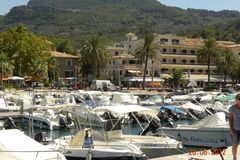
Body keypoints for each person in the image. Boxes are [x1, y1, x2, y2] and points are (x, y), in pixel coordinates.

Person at [229, 93, 240, 160]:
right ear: (236, 100)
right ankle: (234, 158)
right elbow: (230, 119)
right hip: (235, 130)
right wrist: (231, 129)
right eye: (239, 98)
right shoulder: (232, 108)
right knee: (235, 145)